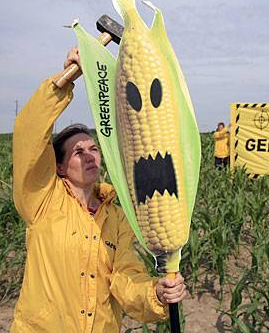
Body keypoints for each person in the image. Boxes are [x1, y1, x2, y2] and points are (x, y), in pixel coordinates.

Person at [10, 47, 187, 332]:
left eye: (93, 148)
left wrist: (155, 294)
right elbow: (28, 133)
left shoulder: (116, 216)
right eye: (78, 152)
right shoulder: (41, 200)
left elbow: (124, 277)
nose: (89, 154)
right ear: (59, 167)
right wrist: (65, 82)